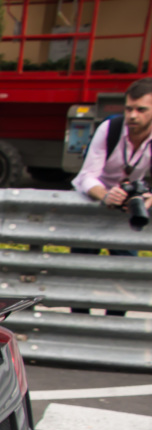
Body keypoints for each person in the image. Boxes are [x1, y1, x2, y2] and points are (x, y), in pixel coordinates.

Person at [69, 77, 152, 316]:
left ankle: (112, 328)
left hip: (127, 206)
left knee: (123, 276)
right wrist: (106, 196)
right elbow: (86, 177)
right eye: (129, 108)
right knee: (81, 275)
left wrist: (147, 198)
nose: (133, 115)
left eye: (141, 110)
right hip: (94, 200)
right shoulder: (110, 128)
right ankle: (79, 326)